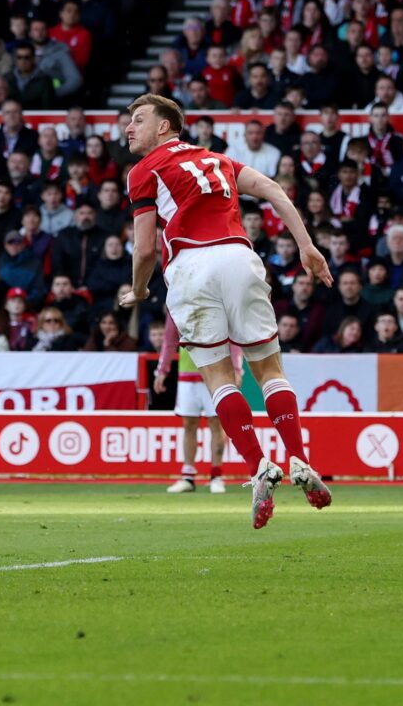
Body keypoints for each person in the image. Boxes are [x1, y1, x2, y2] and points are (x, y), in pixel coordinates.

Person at [121, 94, 332, 529]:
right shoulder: (221, 161)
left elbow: (144, 249)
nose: (129, 128)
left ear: (165, 127)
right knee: (269, 371)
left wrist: (139, 290)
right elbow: (274, 191)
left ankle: (259, 466)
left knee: (218, 377)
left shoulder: (143, 171)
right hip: (240, 258)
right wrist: (307, 246)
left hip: (192, 265)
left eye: (138, 120)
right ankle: (300, 459)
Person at [155, 312, 244, 494]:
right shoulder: (176, 300)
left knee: (216, 423)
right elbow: (170, 339)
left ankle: (216, 476)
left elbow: (233, 335)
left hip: (217, 371)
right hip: (187, 373)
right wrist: (162, 370)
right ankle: (188, 476)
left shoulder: (216, 297)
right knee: (189, 424)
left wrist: (236, 368)